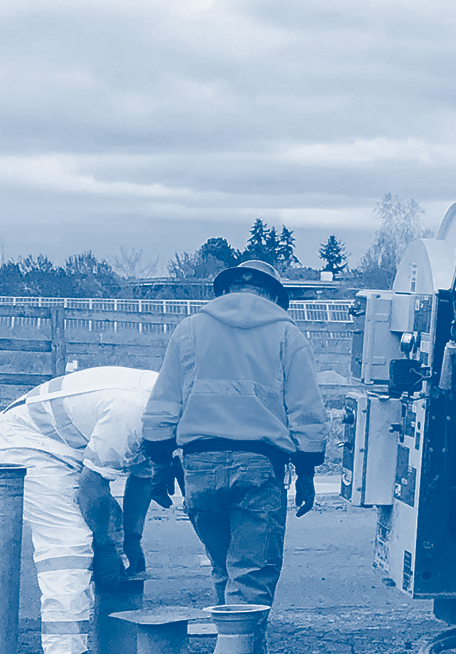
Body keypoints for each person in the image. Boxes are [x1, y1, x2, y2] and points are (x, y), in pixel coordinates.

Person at [141, 259, 330, 622]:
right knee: (250, 579)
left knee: (225, 569)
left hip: (199, 470)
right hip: (258, 470)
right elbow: (306, 412)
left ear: (225, 291)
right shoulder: (287, 335)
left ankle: (234, 648)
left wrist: (160, 464)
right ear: (275, 296)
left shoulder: (189, 330)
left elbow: (163, 406)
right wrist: (306, 473)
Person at [0, 364, 159, 654]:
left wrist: (131, 540)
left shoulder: (162, 405)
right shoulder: (131, 412)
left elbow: (142, 477)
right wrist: (105, 548)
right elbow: (92, 486)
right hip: (28, 444)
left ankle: (105, 647)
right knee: (69, 543)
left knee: (106, 523)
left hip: (64, 448)